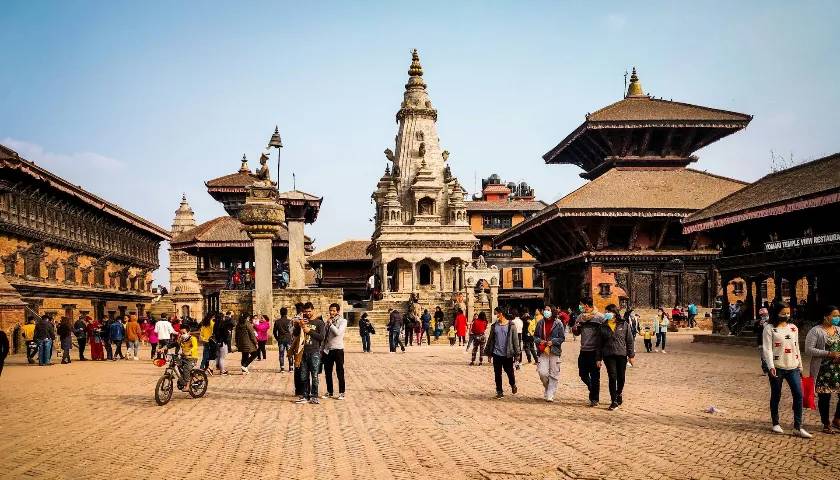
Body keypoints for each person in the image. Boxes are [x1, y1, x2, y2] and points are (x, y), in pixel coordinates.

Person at [762, 301, 811, 438]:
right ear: (776, 313)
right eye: (783, 313)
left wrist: (800, 365)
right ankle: (776, 423)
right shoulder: (769, 328)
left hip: (793, 366)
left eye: (788, 312)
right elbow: (767, 349)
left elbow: (796, 348)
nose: (786, 315)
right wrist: (771, 366)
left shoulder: (793, 328)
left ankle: (797, 426)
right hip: (777, 367)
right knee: (776, 395)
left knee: (798, 395)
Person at [804, 305, 840, 434]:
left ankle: (837, 419)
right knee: (825, 397)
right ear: (826, 316)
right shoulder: (816, 331)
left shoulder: (838, 330)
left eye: (838, 316)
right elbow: (809, 349)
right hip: (823, 370)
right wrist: (829, 353)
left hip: (838, 369)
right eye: (834, 315)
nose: (837, 318)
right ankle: (826, 423)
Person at [601, 304, 635, 410]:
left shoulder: (624, 324)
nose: (606, 314)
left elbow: (629, 341)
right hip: (608, 354)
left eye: (608, 312)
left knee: (621, 377)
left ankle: (619, 393)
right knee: (612, 376)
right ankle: (614, 401)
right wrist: (598, 358)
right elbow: (599, 343)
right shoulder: (603, 325)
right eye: (605, 312)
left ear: (614, 313)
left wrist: (631, 355)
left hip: (621, 354)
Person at [573, 298, 604, 407]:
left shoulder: (599, 317)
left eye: (582, 305)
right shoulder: (580, 317)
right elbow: (576, 333)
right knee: (582, 374)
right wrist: (575, 328)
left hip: (595, 351)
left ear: (586, 305)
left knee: (595, 376)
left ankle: (594, 399)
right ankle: (592, 389)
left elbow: (605, 333)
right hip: (584, 350)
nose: (580, 307)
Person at [483, 307, 519, 399]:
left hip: (508, 354)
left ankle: (513, 384)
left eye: (496, 314)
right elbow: (490, 340)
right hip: (496, 353)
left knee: (509, 372)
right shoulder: (494, 326)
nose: (495, 316)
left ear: (501, 314)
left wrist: (517, 354)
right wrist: (489, 354)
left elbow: (515, 341)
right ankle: (499, 391)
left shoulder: (511, 326)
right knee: (497, 373)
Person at [295, 302, 326, 404]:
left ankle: (314, 396)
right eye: (305, 311)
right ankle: (305, 395)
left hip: (314, 352)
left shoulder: (319, 323)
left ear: (313, 310)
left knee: (315, 375)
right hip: (303, 352)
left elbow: (321, 337)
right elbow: (295, 335)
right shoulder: (302, 322)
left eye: (309, 311)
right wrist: (298, 325)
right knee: (303, 375)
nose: (307, 313)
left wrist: (309, 331)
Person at [534, 304, 565, 402]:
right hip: (543, 350)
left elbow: (562, 338)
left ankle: (550, 393)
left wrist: (554, 341)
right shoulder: (540, 323)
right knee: (542, 372)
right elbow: (535, 336)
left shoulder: (558, 323)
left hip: (554, 351)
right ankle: (547, 388)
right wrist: (540, 341)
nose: (546, 311)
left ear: (552, 311)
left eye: (548, 310)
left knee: (554, 373)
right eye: (545, 310)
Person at [322, 303, 347, 400]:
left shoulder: (343, 321)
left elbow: (338, 333)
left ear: (338, 311)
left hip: (338, 349)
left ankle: (341, 392)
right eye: (330, 310)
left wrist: (331, 324)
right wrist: (322, 349)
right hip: (328, 349)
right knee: (328, 372)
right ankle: (330, 391)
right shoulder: (327, 322)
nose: (331, 312)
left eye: (333, 310)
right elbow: (325, 336)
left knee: (340, 371)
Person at [177, 326, 198, 390]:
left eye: (184, 333)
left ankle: (187, 386)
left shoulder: (193, 338)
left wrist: (189, 352)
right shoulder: (181, 339)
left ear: (188, 332)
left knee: (186, 368)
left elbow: (195, 347)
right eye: (181, 333)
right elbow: (174, 344)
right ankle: (185, 378)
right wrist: (164, 348)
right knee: (176, 364)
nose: (182, 334)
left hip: (192, 358)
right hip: (183, 357)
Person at [213, 311, 233, 375]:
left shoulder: (215, 324)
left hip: (217, 341)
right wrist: (228, 333)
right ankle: (222, 370)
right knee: (222, 357)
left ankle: (218, 367)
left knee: (218, 356)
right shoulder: (222, 324)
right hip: (222, 342)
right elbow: (225, 334)